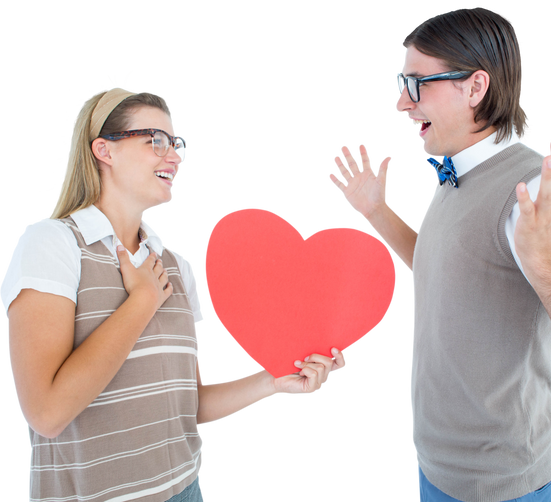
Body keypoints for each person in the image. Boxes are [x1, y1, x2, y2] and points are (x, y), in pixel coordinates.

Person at [327, 4, 551, 502]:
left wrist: (546, 261)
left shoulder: (537, 191)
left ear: (475, 87)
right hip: (435, 468)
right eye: (398, 82)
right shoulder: (456, 170)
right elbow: (447, 268)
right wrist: (377, 211)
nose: (400, 105)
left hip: (499, 490)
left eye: (415, 84)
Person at [2, 82, 346, 502]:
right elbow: (47, 414)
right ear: (103, 150)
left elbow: (189, 405)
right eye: (155, 140)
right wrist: (142, 302)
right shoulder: (51, 243)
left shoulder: (176, 266)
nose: (174, 155)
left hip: (185, 488)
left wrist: (275, 382)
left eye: (176, 141)